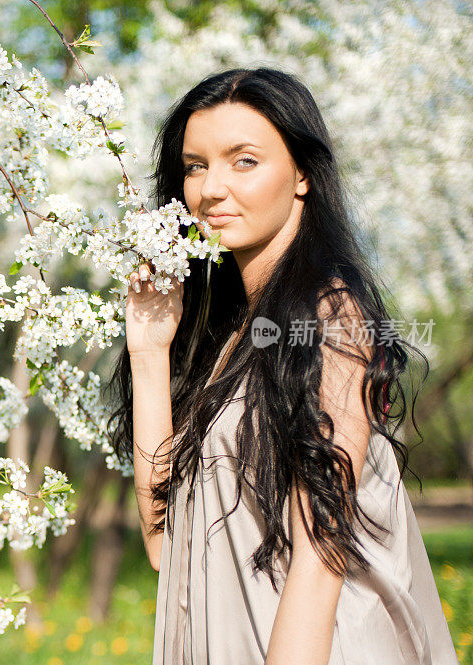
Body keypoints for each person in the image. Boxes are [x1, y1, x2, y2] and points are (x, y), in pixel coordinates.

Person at [106, 67, 459, 665]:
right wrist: (148, 351)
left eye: (243, 161)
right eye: (195, 166)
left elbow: (321, 561)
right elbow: (165, 546)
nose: (211, 189)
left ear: (301, 174)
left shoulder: (332, 320)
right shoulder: (235, 340)